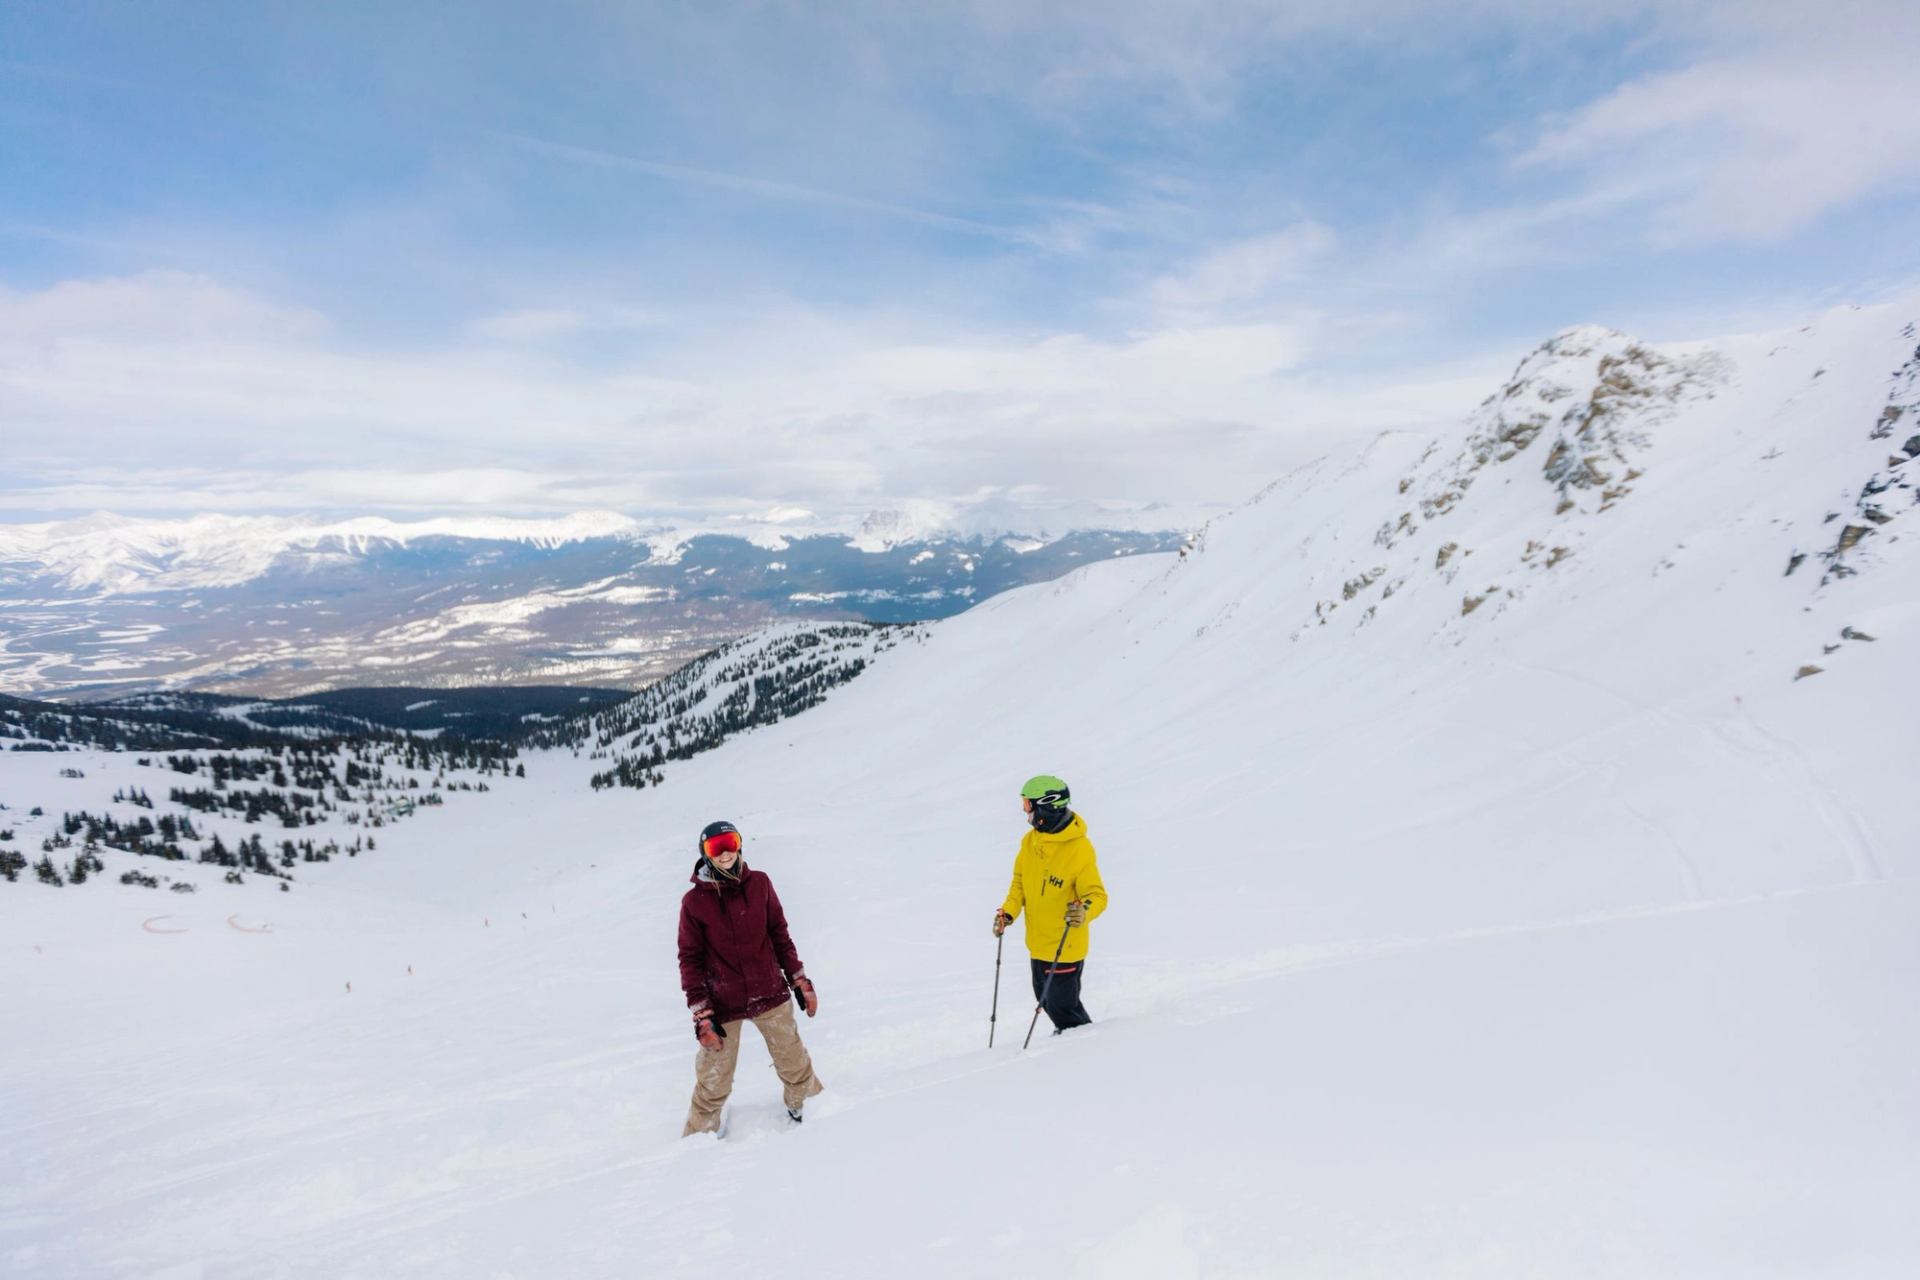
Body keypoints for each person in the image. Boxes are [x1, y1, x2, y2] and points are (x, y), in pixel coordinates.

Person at [677, 820, 823, 1136]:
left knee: (793, 1060)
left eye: (731, 842)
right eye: (716, 847)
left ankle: (811, 1109)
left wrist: (798, 979)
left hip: (769, 989)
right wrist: (702, 1012)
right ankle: (699, 1135)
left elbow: (779, 934)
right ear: (705, 853)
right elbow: (690, 960)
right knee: (714, 1078)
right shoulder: (694, 903)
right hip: (722, 1002)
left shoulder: (760, 884)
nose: (726, 852)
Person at [993, 775, 1107, 1033]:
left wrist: (1083, 911)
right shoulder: (1030, 841)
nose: (1025, 812)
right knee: (1046, 1000)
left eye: (1027, 805)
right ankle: (1070, 1041)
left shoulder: (1079, 849)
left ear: (1046, 806)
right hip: (1037, 943)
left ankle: (1084, 1045)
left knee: (1063, 1007)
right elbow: (1019, 883)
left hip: (1065, 945)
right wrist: (1008, 912)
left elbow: (1097, 894)